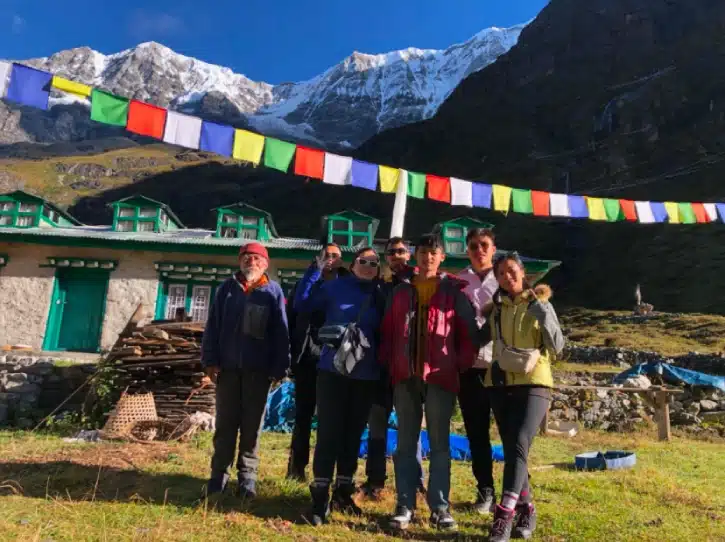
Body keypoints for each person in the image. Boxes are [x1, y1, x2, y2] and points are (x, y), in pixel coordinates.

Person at [380, 234, 478, 532]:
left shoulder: (454, 292)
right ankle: (404, 504)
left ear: (442, 257)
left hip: (440, 376)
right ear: (415, 256)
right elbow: (387, 333)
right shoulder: (400, 292)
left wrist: (456, 364)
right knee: (405, 444)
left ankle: (440, 507)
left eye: (434, 253)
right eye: (423, 252)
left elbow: (468, 334)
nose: (428, 258)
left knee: (439, 444)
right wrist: (391, 366)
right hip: (405, 377)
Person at [295, 246, 385, 526]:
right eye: (363, 261)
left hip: (366, 374)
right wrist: (315, 272)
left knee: (353, 435)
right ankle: (319, 498)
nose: (369, 265)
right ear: (353, 263)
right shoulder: (335, 287)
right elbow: (303, 305)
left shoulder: (382, 294)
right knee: (329, 433)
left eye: (374, 262)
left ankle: (344, 493)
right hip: (332, 371)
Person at [483, 252, 564, 542]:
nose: (507, 276)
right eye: (501, 273)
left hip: (535, 383)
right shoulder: (495, 308)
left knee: (519, 443)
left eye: (511, 270)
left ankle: (503, 517)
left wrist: (546, 318)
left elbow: (558, 347)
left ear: (522, 271)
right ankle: (527, 508)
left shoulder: (540, 303)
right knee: (514, 451)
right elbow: (478, 337)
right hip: (500, 383)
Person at [201, 242, 290, 498]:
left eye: (257, 258)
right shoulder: (226, 290)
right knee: (226, 425)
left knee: (252, 427)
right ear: (240, 261)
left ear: (266, 263)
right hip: (228, 370)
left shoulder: (272, 292)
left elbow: (280, 333)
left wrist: (280, 366)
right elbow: (212, 327)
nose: (251, 262)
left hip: (259, 372)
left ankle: (247, 478)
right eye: (247, 257)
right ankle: (218, 476)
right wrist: (209, 360)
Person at [361, 237, 425, 499]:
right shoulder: (380, 285)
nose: (396, 256)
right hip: (380, 364)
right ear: (386, 257)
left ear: (408, 254)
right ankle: (375, 480)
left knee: (411, 426)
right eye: (391, 253)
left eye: (401, 251)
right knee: (377, 422)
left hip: (408, 365)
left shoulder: (420, 282)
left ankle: (416, 481)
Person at [286, 243, 344, 482]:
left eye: (334, 256)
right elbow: (300, 305)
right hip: (307, 357)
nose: (329, 259)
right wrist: (314, 272)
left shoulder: (346, 284)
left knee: (330, 418)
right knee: (303, 415)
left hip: (335, 358)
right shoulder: (309, 281)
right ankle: (296, 468)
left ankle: (326, 471)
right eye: (325, 255)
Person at [456, 228, 499, 514]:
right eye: (474, 246)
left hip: (504, 368)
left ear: (493, 249)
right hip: (469, 368)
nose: (479, 250)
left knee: (512, 432)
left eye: (484, 245)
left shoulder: (507, 279)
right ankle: (485, 490)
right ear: (467, 250)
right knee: (476, 433)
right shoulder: (458, 282)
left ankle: (518, 491)